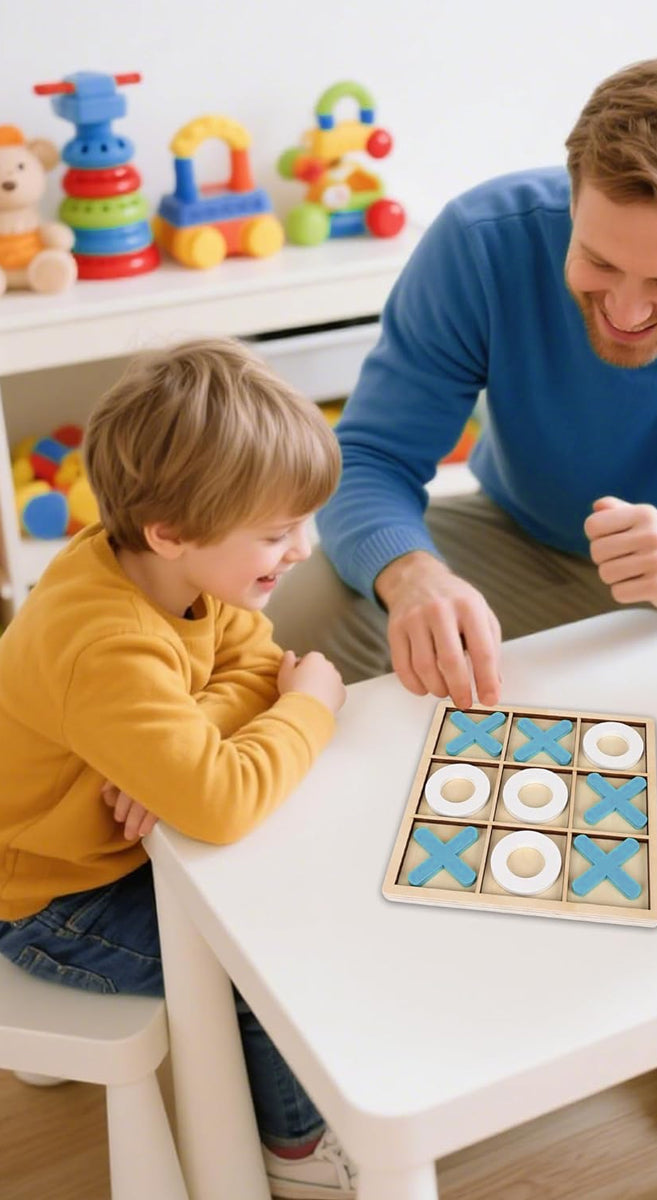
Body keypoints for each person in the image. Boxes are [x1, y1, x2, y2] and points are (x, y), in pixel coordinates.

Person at [267, 51, 657, 1111]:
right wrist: (410, 573)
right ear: (574, 193)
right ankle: (333, 915)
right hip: (518, 542)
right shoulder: (483, 240)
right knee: (311, 606)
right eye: (597, 261)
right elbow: (370, 459)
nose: (626, 309)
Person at [0, 339, 360, 1200]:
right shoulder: (107, 642)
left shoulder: (166, 569)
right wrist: (312, 705)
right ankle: (299, 1153)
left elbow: (252, 660)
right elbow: (224, 802)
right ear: (171, 532)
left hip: (102, 853)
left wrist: (186, 742)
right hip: (52, 902)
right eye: (276, 533)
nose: (303, 549)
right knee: (266, 962)